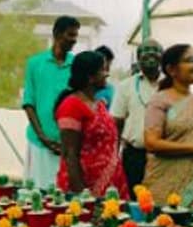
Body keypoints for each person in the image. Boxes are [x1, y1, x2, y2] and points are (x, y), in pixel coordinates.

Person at [143, 44, 193, 202]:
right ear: (171, 70)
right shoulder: (159, 100)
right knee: (166, 224)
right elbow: (151, 142)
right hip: (165, 184)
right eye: (189, 60)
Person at [56, 50, 129, 197]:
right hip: (86, 187)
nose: (106, 73)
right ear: (90, 77)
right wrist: (83, 196)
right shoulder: (71, 106)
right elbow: (70, 155)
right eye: (102, 70)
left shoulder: (98, 104)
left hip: (111, 184)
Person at [22, 15, 80, 189]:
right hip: (39, 144)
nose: (74, 40)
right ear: (56, 34)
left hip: (68, 146)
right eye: (70, 35)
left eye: (76, 36)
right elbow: (28, 103)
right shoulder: (35, 63)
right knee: (38, 195)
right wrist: (43, 137)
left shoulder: (76, 65)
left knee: (65, 198)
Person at [112, 39, 164, 191]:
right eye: (144, 51)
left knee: (161, 200)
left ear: (162, 57)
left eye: (155, 50)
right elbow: (117, 123)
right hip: (134, 156)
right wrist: (114, 157)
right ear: (138, 58)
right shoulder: (125, 86)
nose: (149, 54)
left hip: (165, 156)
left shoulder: (172, 85)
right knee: (134, 202)